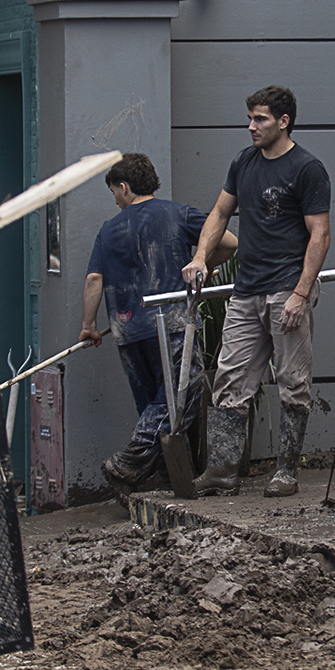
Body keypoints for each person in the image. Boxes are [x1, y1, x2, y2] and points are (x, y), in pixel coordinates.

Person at [181, 85, 331, 497]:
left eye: (260, 119)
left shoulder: (307, 168)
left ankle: (286, 472)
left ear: (284, 121)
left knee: (292, 379)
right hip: (246, 290)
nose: (252, 126)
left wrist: (301, 293)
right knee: (230, 377)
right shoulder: (244, 162)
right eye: (249, 118)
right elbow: (219, 212)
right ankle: (222, 470)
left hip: (287, 288)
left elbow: (319, 234)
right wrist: (200, 257)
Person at [80, 154, 237, 493]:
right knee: (182, 394)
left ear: (124, 187)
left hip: (127, 330)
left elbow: (94, 279)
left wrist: (89, 326)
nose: (116, 199)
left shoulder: (108, 230)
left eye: (114, 193)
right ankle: (128, 463)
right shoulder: (178, 214)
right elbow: (230, 243)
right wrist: (202, 263)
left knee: (153, 404)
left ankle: (167, 478)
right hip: (172, 323)